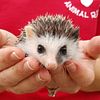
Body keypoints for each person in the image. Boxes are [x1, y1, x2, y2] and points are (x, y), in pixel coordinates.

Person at [0, 0, 100, 100]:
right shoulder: (21, 49)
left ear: (74, 42)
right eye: (40, 49)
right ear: (30, 36)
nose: (51, 63)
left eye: (63, 50)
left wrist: (92, 76)